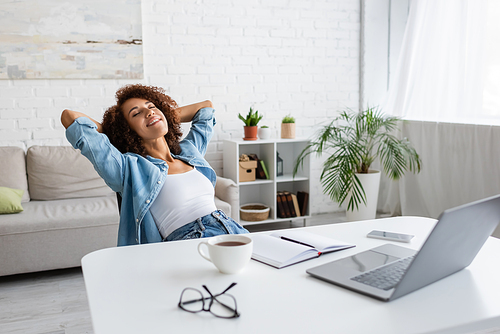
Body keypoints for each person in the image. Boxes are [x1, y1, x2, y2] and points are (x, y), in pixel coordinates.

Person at [61, 84, 249, 246]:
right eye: (136, 113)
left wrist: (163, 114)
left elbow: (206, 109)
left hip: (233, 229)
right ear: (127, 130)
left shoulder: (189, 151)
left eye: (151, 106)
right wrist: (113, 129)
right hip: (193, 242)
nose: (149, 111)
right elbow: (70, 117)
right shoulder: (128, 169)